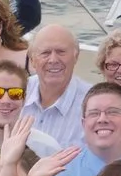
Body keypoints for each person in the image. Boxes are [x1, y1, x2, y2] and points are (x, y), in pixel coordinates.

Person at [19, 20, 90, 149]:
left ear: (76, 56)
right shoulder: (16, 92)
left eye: (61, 52)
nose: (53, 60)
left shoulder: (92, 104)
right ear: (33, 60)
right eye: (45, 53)